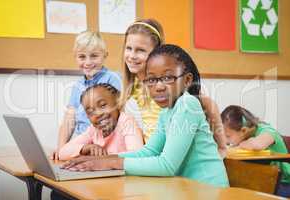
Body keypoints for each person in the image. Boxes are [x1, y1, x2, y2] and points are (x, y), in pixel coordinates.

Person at [62, 44, 229, 188]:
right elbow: (149, 151)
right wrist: (103, 160)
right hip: (186, 189)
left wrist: (111, 163)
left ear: (187, 80)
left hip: (208, 190)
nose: (159, 87)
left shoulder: (187, 104)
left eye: (167, 77)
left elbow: (166, 165)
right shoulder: (167, 112)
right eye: (151, 80)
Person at [121, 19, 227, 155]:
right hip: (155, 155)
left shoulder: (172, 82)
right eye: (128, 48)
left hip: (177, 156)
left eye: (140, 50)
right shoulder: (132, 88)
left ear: (156, 53)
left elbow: (208, 104)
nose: (132, 56)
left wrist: (222, 146)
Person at [52, 31, 121, 160]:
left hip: (104, 146)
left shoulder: (113, 79)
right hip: (82, 146)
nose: (88, 62)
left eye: (94, 56)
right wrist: (61, 149)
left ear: (105, 55)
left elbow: (119, 117)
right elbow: (69, 119)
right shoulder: (77, 86)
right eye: (82, 57)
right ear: (75, 57)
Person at [58, 83, 143, 160]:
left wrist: (102, 159)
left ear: (118, 103)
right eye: (90, 112)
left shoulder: (127, 122)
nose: (98, 114)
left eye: (103, 105)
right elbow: (62, 153)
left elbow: (137, 154)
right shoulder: (93, 130)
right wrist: (85, 148)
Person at [221, 105, 290, 197]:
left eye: (228, 136)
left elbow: (257, 145)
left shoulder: (267, 130)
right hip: (261, 182)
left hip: (283, 182)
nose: (226, 141)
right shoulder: (243, 136)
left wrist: (240, 145)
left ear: (244, 130)